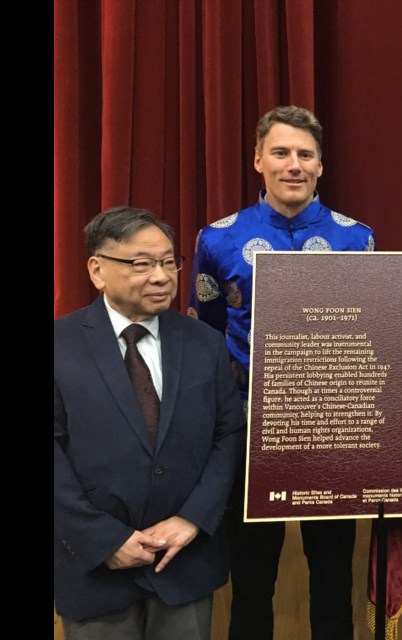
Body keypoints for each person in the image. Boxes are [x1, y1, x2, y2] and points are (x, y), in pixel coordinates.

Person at [190, 105, 375, 640]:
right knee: (251, 578)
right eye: (281, 152)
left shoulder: (357, 238)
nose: (293, 164)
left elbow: (374, 332)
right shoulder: (218, 239)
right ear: (258, 160)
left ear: (321, 165)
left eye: (305, 154)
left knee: (333, 574)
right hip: (249, 429)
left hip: (334, 431)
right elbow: (205, 332)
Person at [54, 206, 245, 640]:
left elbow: (228, 433)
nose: (161, 276)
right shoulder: (60, 345)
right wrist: (102, 539)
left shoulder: (205, 343)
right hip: (94, 568)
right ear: (97, 269)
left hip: (185, 563)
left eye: (168, 261)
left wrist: (193, 519)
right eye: (141, 264)